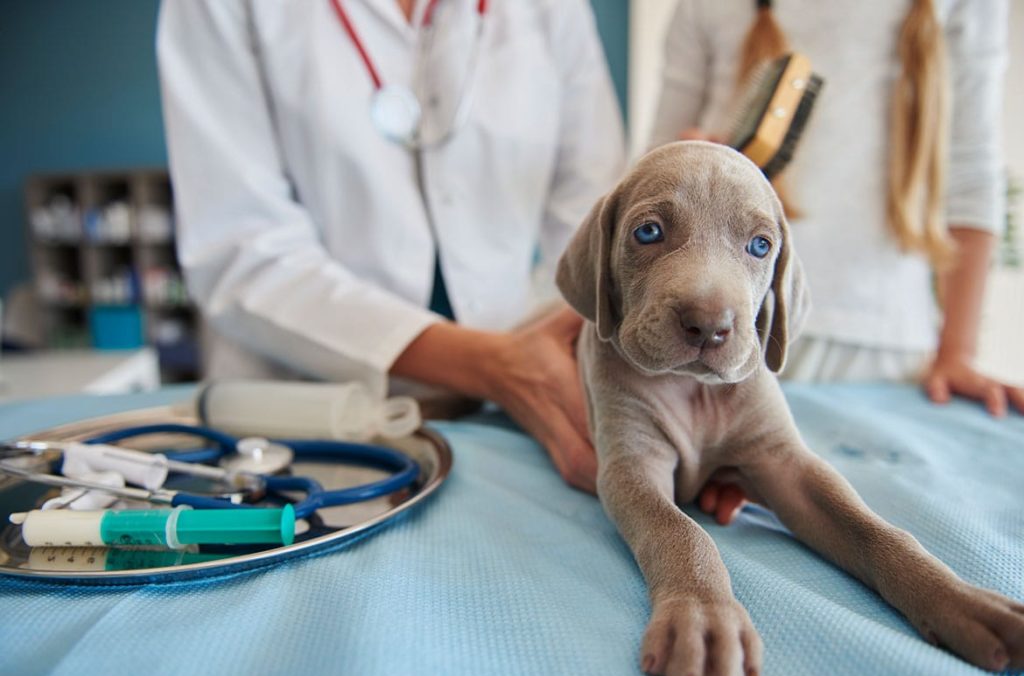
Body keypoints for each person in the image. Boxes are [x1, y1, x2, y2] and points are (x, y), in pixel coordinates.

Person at [157, 0, 626, 492]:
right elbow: (240, 247)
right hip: (307, 418)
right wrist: (497, 365)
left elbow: (593, 221)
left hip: (513, 413)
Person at [650, 0, 1020, 524]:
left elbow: (971, 178)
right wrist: (683, 160)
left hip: (888, 358)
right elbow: (652, 163)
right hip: (725, 336)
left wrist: (957, 351)